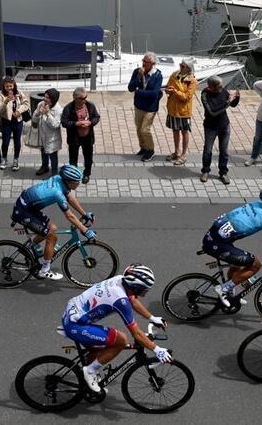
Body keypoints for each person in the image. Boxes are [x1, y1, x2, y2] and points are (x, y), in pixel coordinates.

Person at [61, 264, 171, 394]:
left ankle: (88, 372)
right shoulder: (120, 301)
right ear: (135, 287)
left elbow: (133, 300)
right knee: (120, 340)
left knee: (99, 346)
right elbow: (136, 334)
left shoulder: (120, 280)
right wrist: (157, 349)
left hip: (72, 311)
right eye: (145, 289)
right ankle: (89, 371)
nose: (146, 292)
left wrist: (152, 317)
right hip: (75, 325)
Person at [11, 165, 94, 280]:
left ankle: (29, 248)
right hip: (23, 211)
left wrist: (84, 214)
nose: (79, 184)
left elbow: (69, 197)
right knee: (51, 237)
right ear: (69, 182)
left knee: (52, 228)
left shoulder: (59, 179)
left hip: (27, 207)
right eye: (77, 182)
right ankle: (44, 270)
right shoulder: (57, 193)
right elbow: (69, 216)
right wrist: (85, 230)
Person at [199, 76, 239, 184]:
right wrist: (227, 103)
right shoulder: (205, 94)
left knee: (224, 151)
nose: (222, 88)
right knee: (208, 150)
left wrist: (236, 99)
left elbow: (232, 105)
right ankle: (205, 171)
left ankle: (223, 173)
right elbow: (212, 112)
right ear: (211, 87)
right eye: (219, 86)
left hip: (224, 125)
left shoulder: (223, 90)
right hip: (210, 127)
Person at [127, 52, 164, 161]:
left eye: (146, 62)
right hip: (139, 106)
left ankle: (150, 150)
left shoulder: (157, 76)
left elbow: (154, 94)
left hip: (150, 108)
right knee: (139, 129)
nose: (143, 64)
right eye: (143, 61)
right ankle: (143, 147)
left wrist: (139, 92)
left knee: (145, 129)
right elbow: (130, 88)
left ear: (152, 64)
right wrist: (138, 77)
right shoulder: (137, 72)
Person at [61, 87, 100, 183]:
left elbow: (96, 117)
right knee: (73, 158)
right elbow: (64, 122)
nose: (84, 100)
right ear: (75, 98)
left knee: (88, 157)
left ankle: (87, 174)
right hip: (74, 138)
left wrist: (90, 123)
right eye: (81, 98)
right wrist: (76, 124)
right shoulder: (68, 108)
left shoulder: (90, 106)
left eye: (85, 97)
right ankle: (74, 175)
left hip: (87, 137)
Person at [163, 61, 197, 166]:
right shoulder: (174, 75)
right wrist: (168, 90)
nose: (180, 67)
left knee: (184, 132)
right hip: (173, 109)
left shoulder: (192, 81)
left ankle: (183, 154)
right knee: (175, 130)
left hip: (183, 111)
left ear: (188, 68)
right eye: (180, 65)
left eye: (183, 66)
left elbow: (186, 97)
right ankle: (176, 152)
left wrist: (174, 92)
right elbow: (168, 87)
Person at [0, 76, 29, 172]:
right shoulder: (0, 95)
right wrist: (6, 101)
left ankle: (16, 160)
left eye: (11, 86)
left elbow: (26, 104)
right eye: (7, 86)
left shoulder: (18, 93)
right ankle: (4, 158)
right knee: (5, 142)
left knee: (17, 141)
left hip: (18, 121)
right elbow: (0, 110)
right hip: (6, 121)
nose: (9, 88)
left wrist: (19, 111)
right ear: (4, 86)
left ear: (14, 85)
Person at [33, 88, 62, 176]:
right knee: (43, 152)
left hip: (52, 138)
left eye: (47, 98)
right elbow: (34, 119)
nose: (45, 99)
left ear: (53, 99)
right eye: (45, 97)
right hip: (42, 135)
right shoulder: (41, 104)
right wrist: (38, 113)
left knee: (53, 156)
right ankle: (44, 167)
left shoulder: (58, 110)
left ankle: (54, 173)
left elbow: (55, 125)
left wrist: (47, 113)